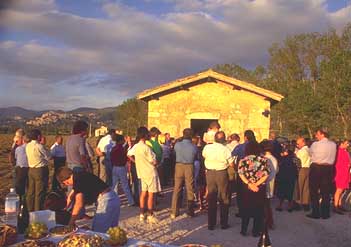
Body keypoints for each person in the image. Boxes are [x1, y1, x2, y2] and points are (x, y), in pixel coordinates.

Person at [56, 167, 120, 233]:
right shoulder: (79, 175)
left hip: (106, 201)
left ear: (65, 181)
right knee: (112, 232)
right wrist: (66, 208)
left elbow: (79, 204)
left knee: (98, 233)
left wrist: (71, 223)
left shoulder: (78, 181)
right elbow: (71, 196)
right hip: (113, 197)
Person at [127, 127, 161, 223]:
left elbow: (129, 154)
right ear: (145, 135)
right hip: (150, 172)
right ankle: (150, 214)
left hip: (141, 172)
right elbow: (153, 161)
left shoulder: (136, 146)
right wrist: (157, 163)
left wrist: (136, 161)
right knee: (151, 194)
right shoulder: (147, 148)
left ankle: (142, 214)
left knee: (143, 193)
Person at [202, 131, 234, 230]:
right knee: (223, 197)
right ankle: (224, 223)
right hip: (221, 173)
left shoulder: (207, 147)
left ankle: (211, 224)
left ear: (215, 138)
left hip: (210, 173)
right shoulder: (226, 149)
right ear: (224, 139)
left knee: (211, 197)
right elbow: (231, 164)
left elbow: (204, 156)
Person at [238, 140, 269, 237]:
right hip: (259, 188)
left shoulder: (243, 160)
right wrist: (256, 184)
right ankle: (255, 231)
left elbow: (241, 174)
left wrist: (249, 183)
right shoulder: (263, 160)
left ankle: (243, 230)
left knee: (246, 208)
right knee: (258, 210)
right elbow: (266, 174)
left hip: (246, 188)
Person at [307, 129, 337, 219]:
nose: (316, 136)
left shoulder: (315, 144)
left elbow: (310, 154)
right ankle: (325, 213)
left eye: (317, 134)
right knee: (326, 191)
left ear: (322, 135)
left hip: (317, 167)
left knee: (314, 191)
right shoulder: (333, 144)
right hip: (328, 168)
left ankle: (315, 212)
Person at [170, 128, 198, 219]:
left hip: (178, 166)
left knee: (177, 188)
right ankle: (190, 211)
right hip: (189, 166)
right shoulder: (194, 146)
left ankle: (174, 211)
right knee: (189, 188)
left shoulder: (177, 145)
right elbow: (195, 156)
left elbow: (174, 154)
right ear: (191, 136)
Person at [232, 130, 256, 217]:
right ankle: (252, 211)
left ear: (245, 137)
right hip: (254, 173)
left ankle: (242, 211)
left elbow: (233, 155)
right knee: (252, 193)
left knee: (241, 193)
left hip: (242, 172)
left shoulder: (240, 147)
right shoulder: (257, 146)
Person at [26, 129, 51, 212]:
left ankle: (29, 209)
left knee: (31, 192)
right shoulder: (39, 146)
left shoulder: (28, 145)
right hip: (40, 170)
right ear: (38, 136)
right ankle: (38, 211)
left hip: (31, 170)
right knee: (39, 192)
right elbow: (48, 156)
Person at [110, 133, 135, 206]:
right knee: (125, 185)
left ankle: (115, 201)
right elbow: (125, 158)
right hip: (121, 167)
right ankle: (131, 201)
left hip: (114, 167)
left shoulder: (114, 148)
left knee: (114, 185)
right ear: (120, 141)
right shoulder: (121, 149)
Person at [275, 145, 299, 212]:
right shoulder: (295, 159)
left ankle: (280, 205)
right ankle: (290, 206)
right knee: (290, 191)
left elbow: (278, 168)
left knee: (281, 190)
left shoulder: (281, 159)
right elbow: (298, 168)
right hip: (291, 177)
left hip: (282, 176)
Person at [261, 140, 278, 230]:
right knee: (268, 204)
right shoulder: (274, 158)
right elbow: (277, 170)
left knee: (264, 205)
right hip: (272, 182)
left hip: (265, 183)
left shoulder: (264, 158)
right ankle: (269, 222)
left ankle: (267, 222)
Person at [333, 140, 350, 214]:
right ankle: (335, 206)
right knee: (339, 190)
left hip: (345, 173)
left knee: (341, 190)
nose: (348, 145)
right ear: (341, 144)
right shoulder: (339, 152)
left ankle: (339, 204)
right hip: (340, 173)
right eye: (347, 143)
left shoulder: (345, 151)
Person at [295, 137, 311, 211]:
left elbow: (297, 161)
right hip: (309, 169)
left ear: (303, 142)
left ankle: (298, 203)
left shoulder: (301, 151)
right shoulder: (309, 150)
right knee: (306, 188)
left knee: (299, 186)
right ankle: (306, 203)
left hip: (302, 169)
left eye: (298, 144)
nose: (297, 145)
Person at [14, 134, 29, 200]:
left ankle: (20, 200)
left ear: (23, 140)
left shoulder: (18, 148)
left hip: (20, 169)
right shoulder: (30, 148)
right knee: (28, 185)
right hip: (28, 168)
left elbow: (16, 157)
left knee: (19, 186)